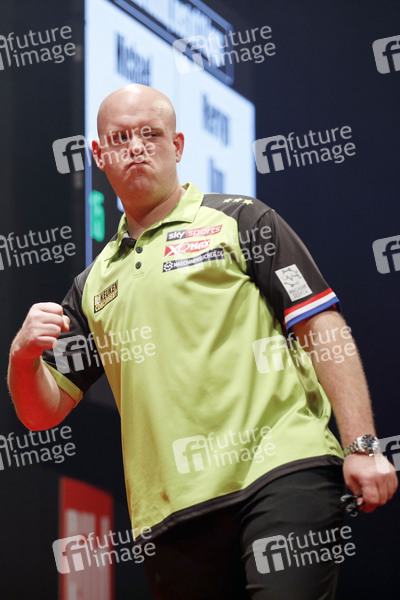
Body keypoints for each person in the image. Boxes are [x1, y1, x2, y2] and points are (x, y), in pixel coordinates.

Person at [8, 84, 397, 600]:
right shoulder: (92, 285)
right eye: (120, 138)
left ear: (178, 145)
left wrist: (362, 445)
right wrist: (22, 357)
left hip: (281, 472)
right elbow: (42, 414)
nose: (136, 147)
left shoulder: (242, 219)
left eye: (151, 134)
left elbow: (321, 327)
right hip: (171, 513)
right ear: (100, 155)